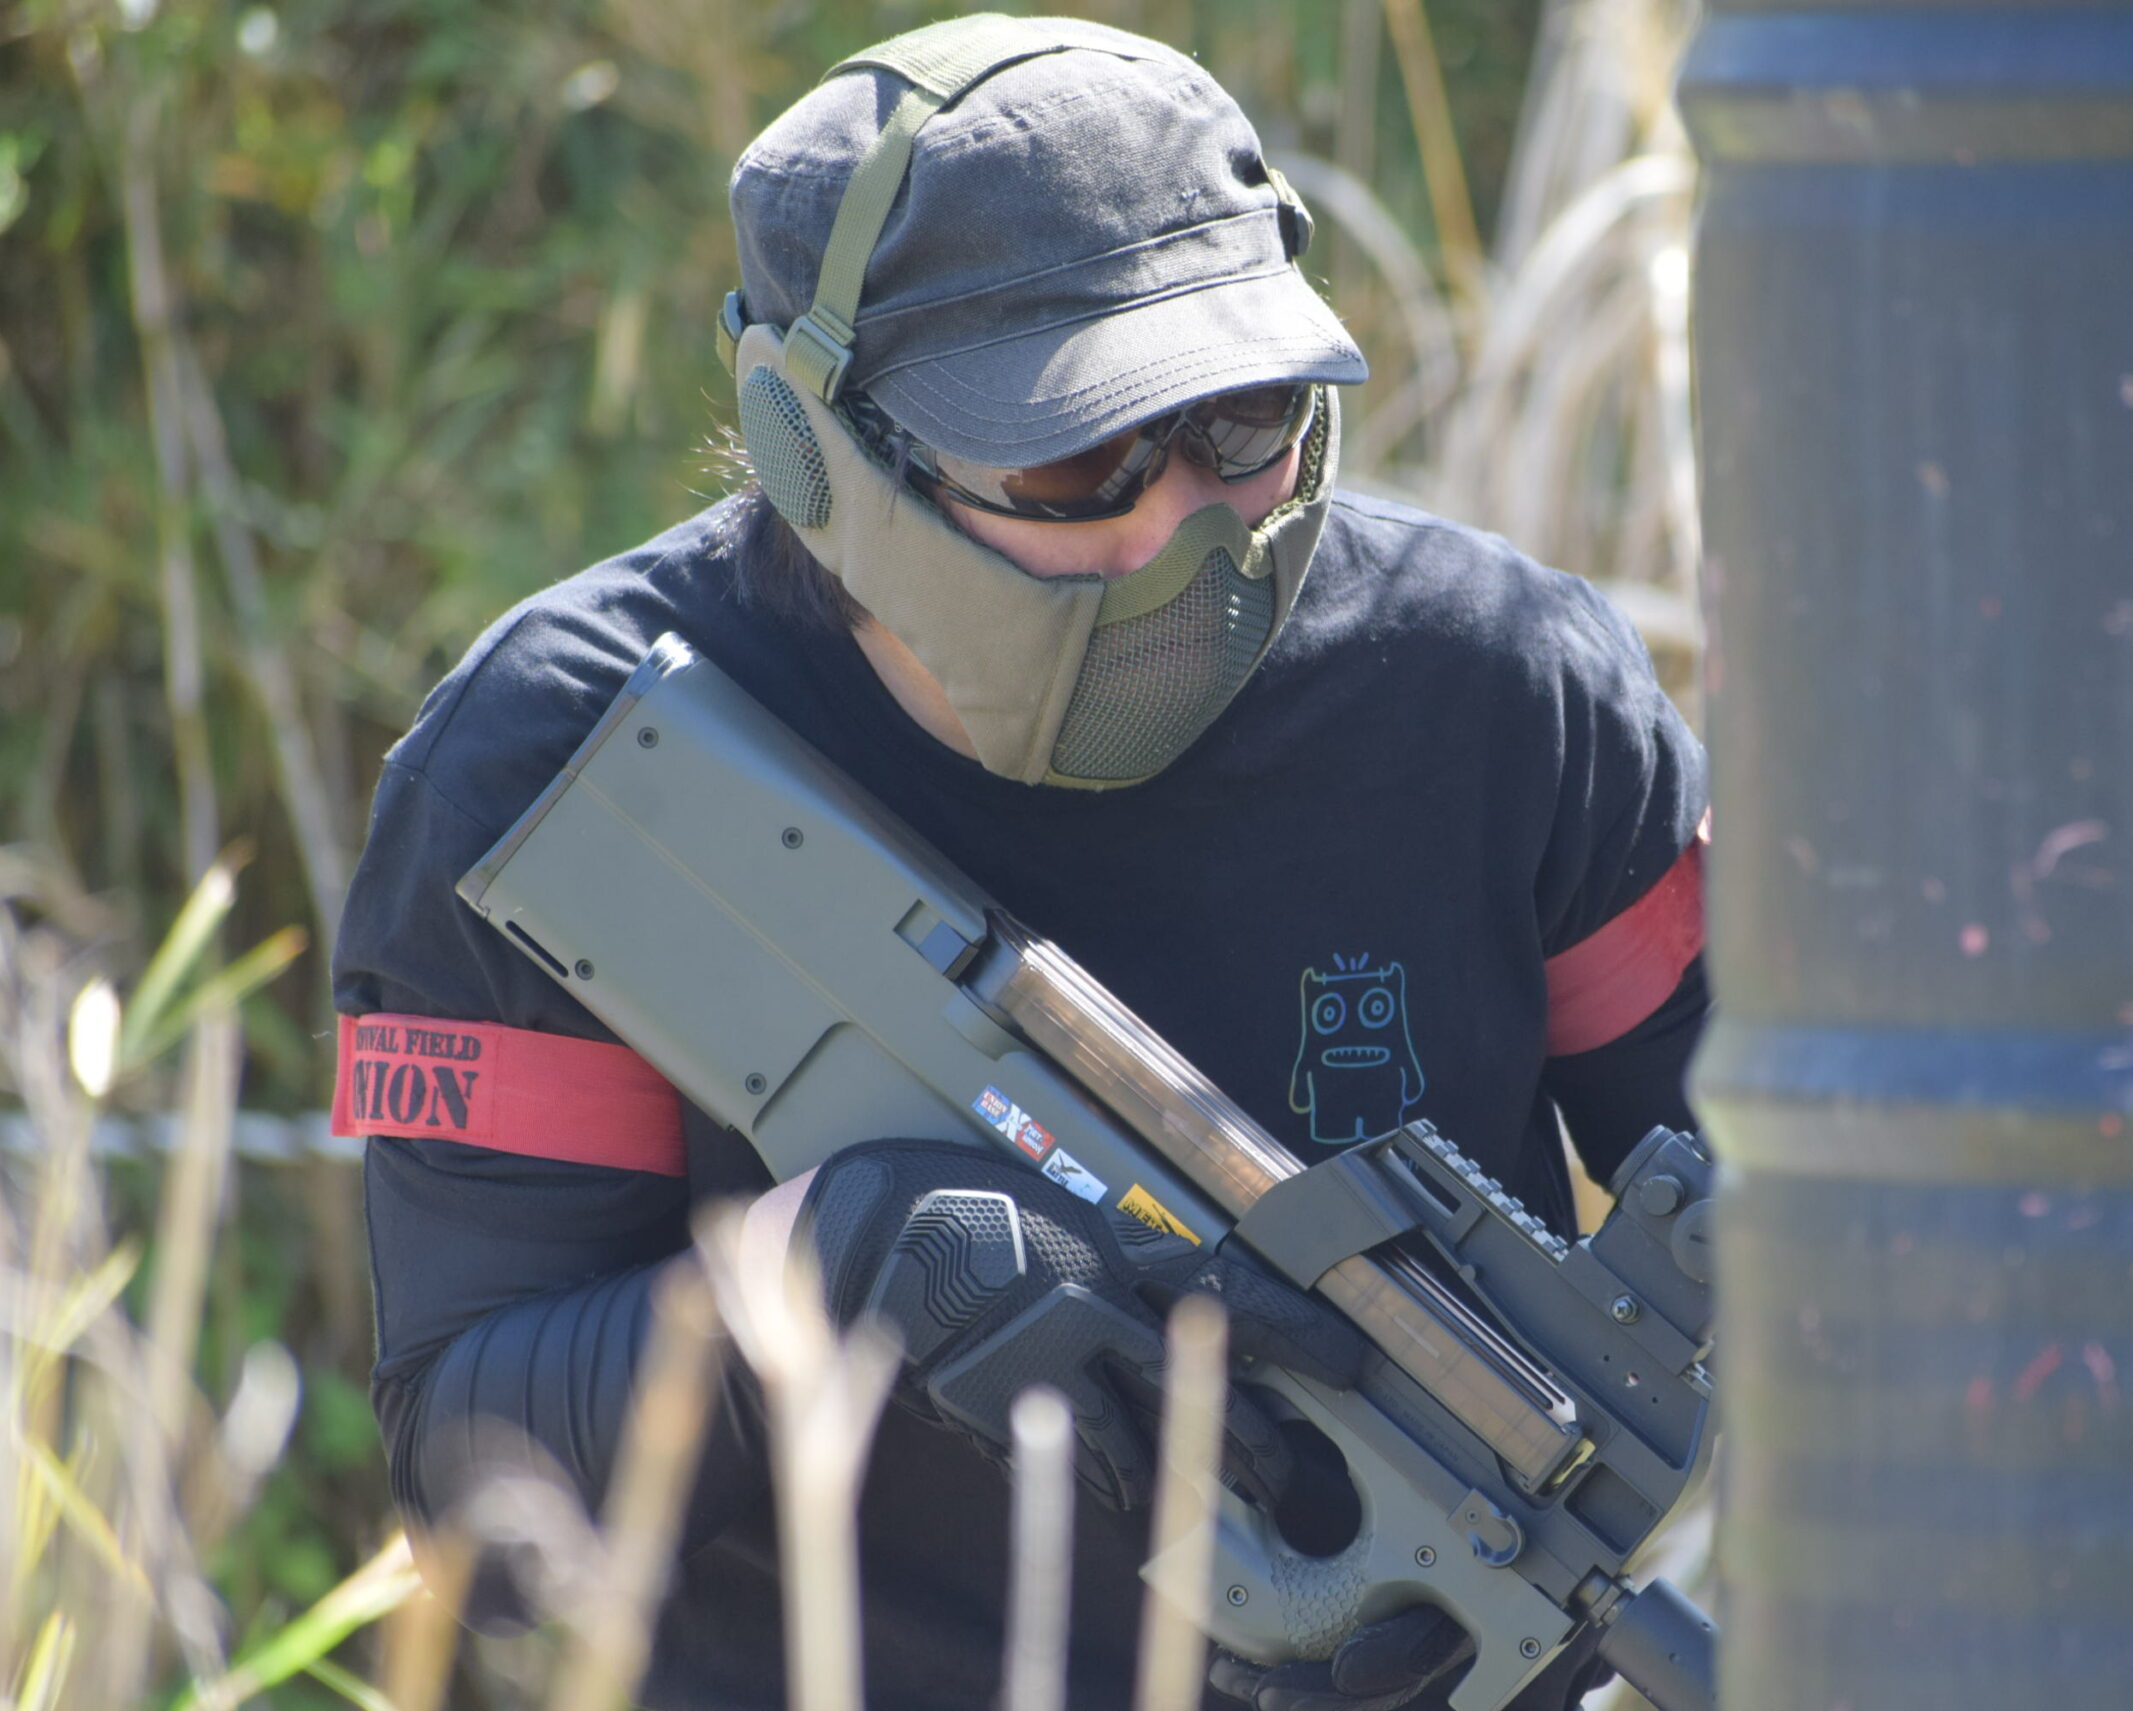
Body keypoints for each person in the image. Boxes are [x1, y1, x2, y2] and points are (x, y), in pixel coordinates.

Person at [334, 16, 1708, 1711]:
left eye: (1248, 420)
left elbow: (1831, 1238)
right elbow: (474, 1509)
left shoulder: (1503, 695)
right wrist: (836, 1264)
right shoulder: (551, 772)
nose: (1185, 529)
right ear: (811, 442)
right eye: (1072, 457)